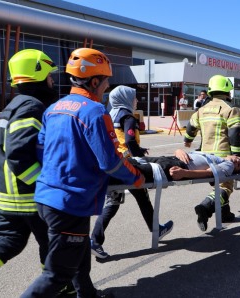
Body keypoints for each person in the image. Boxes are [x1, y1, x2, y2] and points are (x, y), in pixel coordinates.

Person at [21, 48, 144, 298]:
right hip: (70, 203)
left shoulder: (54, 108)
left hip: (47, 197)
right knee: (57, 275)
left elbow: (41, 151)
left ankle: (87, 295)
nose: (107, 88)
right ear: (94, 81)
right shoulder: (95, 111)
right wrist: (137, 178)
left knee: (78, 256)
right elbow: (111, 162)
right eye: (106, 81)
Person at [0, 49, 66, 296]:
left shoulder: (14, 105)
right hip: (27, 198)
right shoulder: (32, 107)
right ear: (39, 74)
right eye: (50, 76)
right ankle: (60, 290)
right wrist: (44, 184)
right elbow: (19, 155)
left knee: (8, 242)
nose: (52, 81)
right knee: (53, 246)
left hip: (7, 198)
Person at [90, 85, 173, 259]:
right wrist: (138, 156)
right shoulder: (127, 116)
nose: (136, 101)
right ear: (126, 99)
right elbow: (128, 140)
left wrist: (138, 148)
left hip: (113, 164)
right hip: (126, 165)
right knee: (139, 194)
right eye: (134, 98)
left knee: (114, 202)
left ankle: (95, 241)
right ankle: (155, 230)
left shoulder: (110, 114)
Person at [184, 75, 240, 231]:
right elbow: (235, 134)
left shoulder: (201, 110)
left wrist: (188, 140)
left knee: (219, 184)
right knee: (226, 187)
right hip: (223, 156)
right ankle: (205, 207)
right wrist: (237, 158)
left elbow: (190, 128)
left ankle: (225, 214)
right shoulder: (230, 109)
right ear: (226, 91)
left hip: (204, 156)